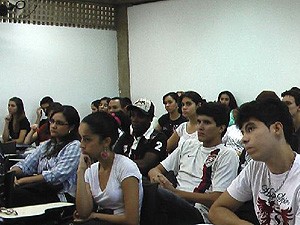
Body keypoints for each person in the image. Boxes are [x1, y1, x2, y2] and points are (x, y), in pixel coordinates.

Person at [208, 98, 299, 225]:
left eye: (250, 129)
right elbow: (217, 210)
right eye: (242, 132)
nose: (243, 139)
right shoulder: (255, 167)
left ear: (277, 128)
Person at [148, 102, 239, 224]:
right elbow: (154, 170)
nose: (200, 127)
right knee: (141, 187)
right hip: (173, 200)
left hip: (197, 211)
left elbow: (217, 198)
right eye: (199, 122)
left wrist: (175, 193)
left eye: (206, 123)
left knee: (153, 197)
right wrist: (159, 179)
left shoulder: (227, 154)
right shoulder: (188, 144)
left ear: (221, 128)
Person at [75, 111, 143, 225]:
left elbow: (132, 220)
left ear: (106, 141)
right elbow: (83, 212)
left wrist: (95, 216)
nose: (81, 144)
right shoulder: (91, 170)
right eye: (81, 138)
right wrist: (80, 171)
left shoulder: (126, 167)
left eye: (87, 139)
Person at [9, 105, 81, 207]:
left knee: (15, 195)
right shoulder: (48, 144)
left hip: (62, 196)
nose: (53, 126)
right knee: (8, 191)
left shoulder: (75, 146)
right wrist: (10, 174)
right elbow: (27, 164)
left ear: (71, 127)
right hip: (43, 189)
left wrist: (22, 181)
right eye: (52, 121)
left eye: (59, 123)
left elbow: (56, 175)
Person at [114, 98, 167, 177]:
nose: (134, 119)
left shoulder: (158, 138)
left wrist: (118, 164)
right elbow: (114, 156)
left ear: (151, 118)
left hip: (144, 181)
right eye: (132, 115)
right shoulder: (127, 135)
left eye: (140, 116)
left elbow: (145, 164)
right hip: (122, 177)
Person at [281, 88, 300, 153]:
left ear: (299, 107)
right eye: (282, 104)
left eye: (288, 103)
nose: (284, 107)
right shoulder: (285, 130)